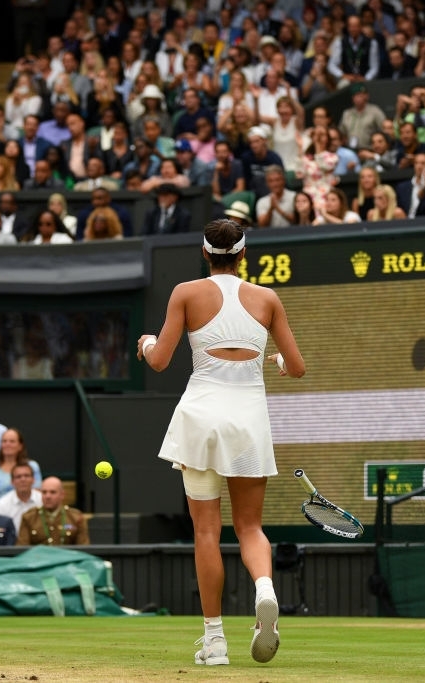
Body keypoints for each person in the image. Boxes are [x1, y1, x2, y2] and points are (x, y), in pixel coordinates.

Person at [137, 219, 305, 666]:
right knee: (250, 527)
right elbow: (298, 366)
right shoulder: (267, 298)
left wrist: (148, 341)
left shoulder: (185, 293)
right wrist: (282, 366)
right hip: (248, 420)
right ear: (243, 255)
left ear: (206, 254)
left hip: (201, 418)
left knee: (206, 531)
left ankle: (214, 643)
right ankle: (264, 590)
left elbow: (159, 361)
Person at [18, 476, 90, 545]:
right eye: (44, 492)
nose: (48, 496)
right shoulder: (29, 517)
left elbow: (84, 548)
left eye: (52, 492)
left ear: (62, 495)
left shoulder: (76, 518)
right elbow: (22, 549)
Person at [0, 428, 42, 498]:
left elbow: (37, 491)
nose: (7, 444)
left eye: (12, 441)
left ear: (20, 446)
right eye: (4, 441)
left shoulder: (32, 466)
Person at [0, 462, 42, 533]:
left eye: (27, 476)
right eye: (18, 477)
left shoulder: (43, 500)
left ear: (33, 480)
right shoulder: (1, 504)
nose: (23, 479)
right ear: (12, 482)